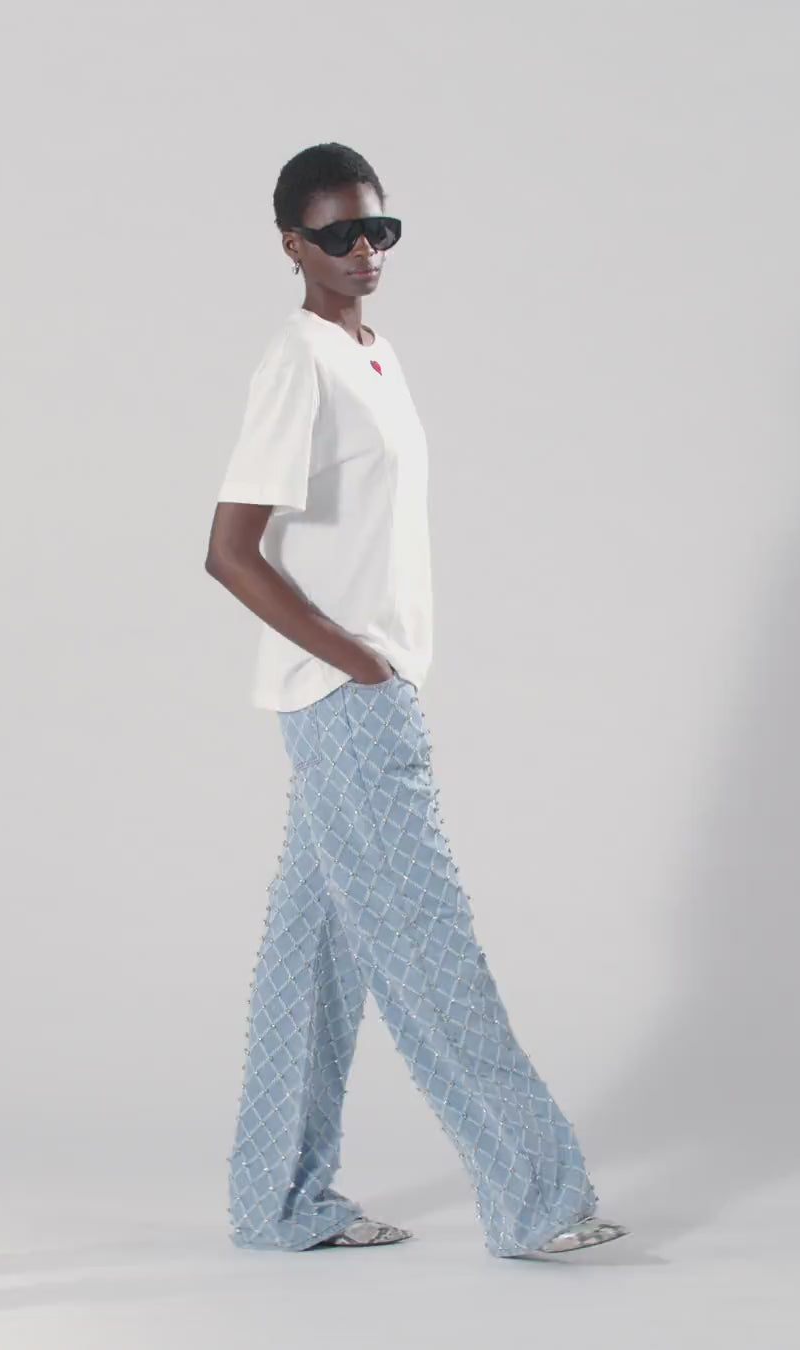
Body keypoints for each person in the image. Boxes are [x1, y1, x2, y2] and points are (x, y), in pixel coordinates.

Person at [205, 142, 629, 1259]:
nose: (363, 250)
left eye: (379, 230)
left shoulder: (372, 351)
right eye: (337, 234)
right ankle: (537, 1203)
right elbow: (229, 551)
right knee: (431, 948)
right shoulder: (298, 359)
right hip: (349, 701)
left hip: (354, 692)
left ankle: (277, 1203)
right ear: (291, 244)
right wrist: (358, 663)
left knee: (312, 963)